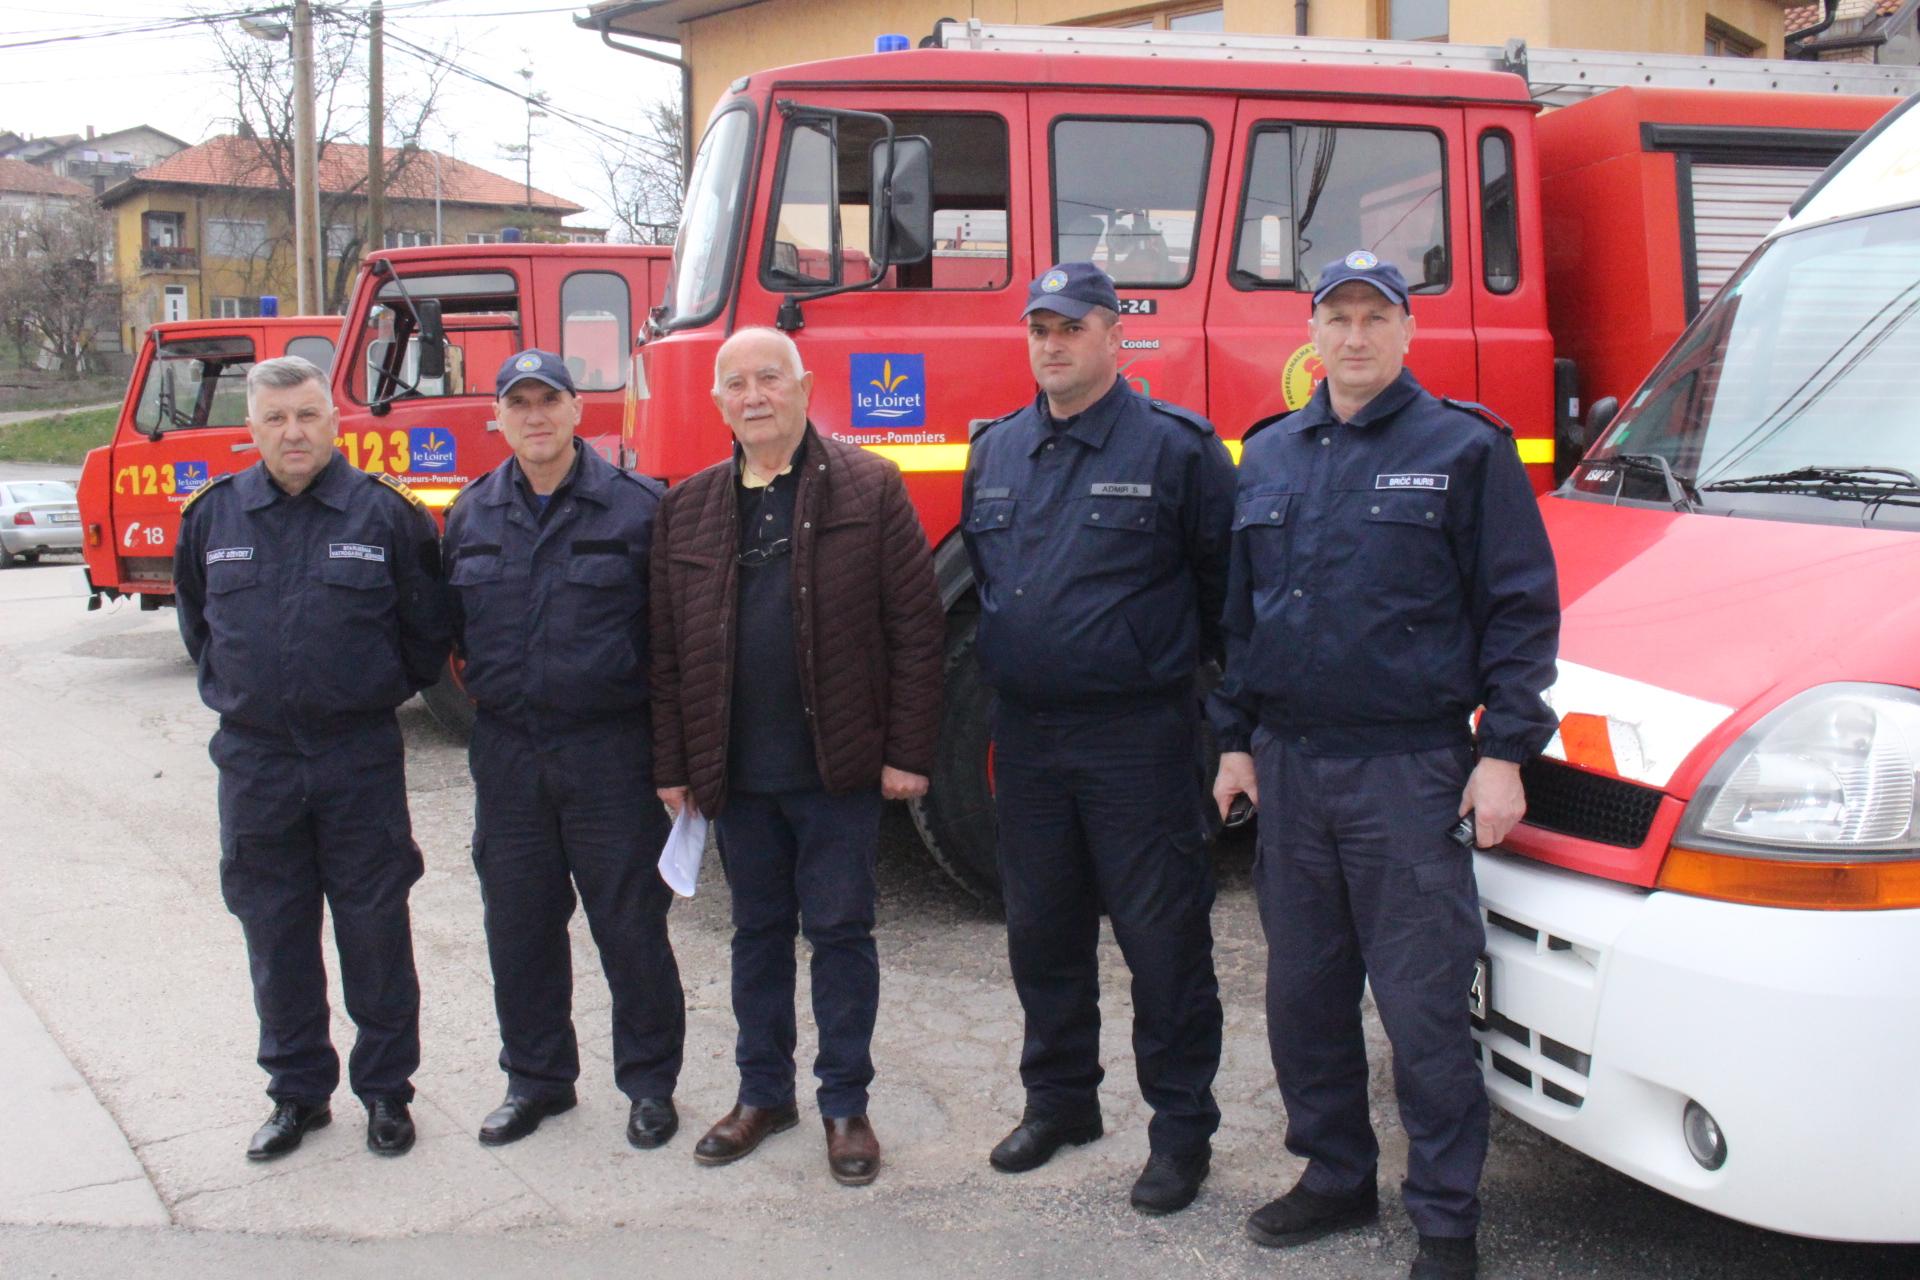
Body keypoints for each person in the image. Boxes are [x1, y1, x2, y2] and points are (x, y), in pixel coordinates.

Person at [1210, 251, 1560, 1280]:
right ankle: (1334, 1173)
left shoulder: (1465, 448)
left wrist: (1504, 751)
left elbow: (1521, 609)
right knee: (1305, 996)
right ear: (1311, 336)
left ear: (1408, 332)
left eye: (1375, 318)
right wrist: (1233, 736)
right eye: (1337, 319)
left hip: (1409, 769)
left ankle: (1447, 1218)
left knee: (1420, 1005)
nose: (1354, 337)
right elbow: (1241, 616)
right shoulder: (1268, 453)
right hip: (1292, 765)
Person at [961, 261, 1236, 1215]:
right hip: (1029, 740)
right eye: (1040, 327)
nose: (1052, 343)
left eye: (1072, 326)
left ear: (1115, 335)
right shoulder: (996, 451)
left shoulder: (1177, 450)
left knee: (1162, 944)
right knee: (1042, 935)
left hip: (1139, 738)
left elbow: (1223, 597)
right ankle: (1062, 1102)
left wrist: (1222, 725)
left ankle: (1181, 1133)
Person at [649, 326, 944, 1186]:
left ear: (806, 387)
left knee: (843, 933)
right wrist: (674, 764)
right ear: (717, 404)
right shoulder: (689, 507)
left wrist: (908, 755)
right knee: (757, 936)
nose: (754, 395)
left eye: (770, 378)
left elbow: (917, 634)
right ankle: (762, 1093)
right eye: (735, 383)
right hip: (736, 775)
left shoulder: (872, 487)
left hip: (838, 768)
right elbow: (666, 653)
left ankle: (844, 1104)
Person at [173, 355, 451, 1161]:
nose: (293, 432)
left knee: (375, 929)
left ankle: (386, 1093)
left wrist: (358, 695)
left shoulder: (387, 516)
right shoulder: (213, 518)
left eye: (307, 415)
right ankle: (297, 1094)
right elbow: (200, 632)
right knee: (275, 930)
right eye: (275, 419)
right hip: (256, 763)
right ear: (252, 428)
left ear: (335, 421)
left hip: (356, 757)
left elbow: (424, 639)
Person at [442, 350, 686, 1151]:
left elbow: (674, 644)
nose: (536, 416)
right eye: (520, 403)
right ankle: (538, 1081)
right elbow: (445, 633)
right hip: (509, 752)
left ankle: (649, 1084)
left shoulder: (640, 509)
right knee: (518, 925)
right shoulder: (472, 513)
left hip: (609, 751)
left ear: (580, 411)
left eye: (551, 400)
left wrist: (674, 760)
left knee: (629, 927)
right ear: (500, 417)